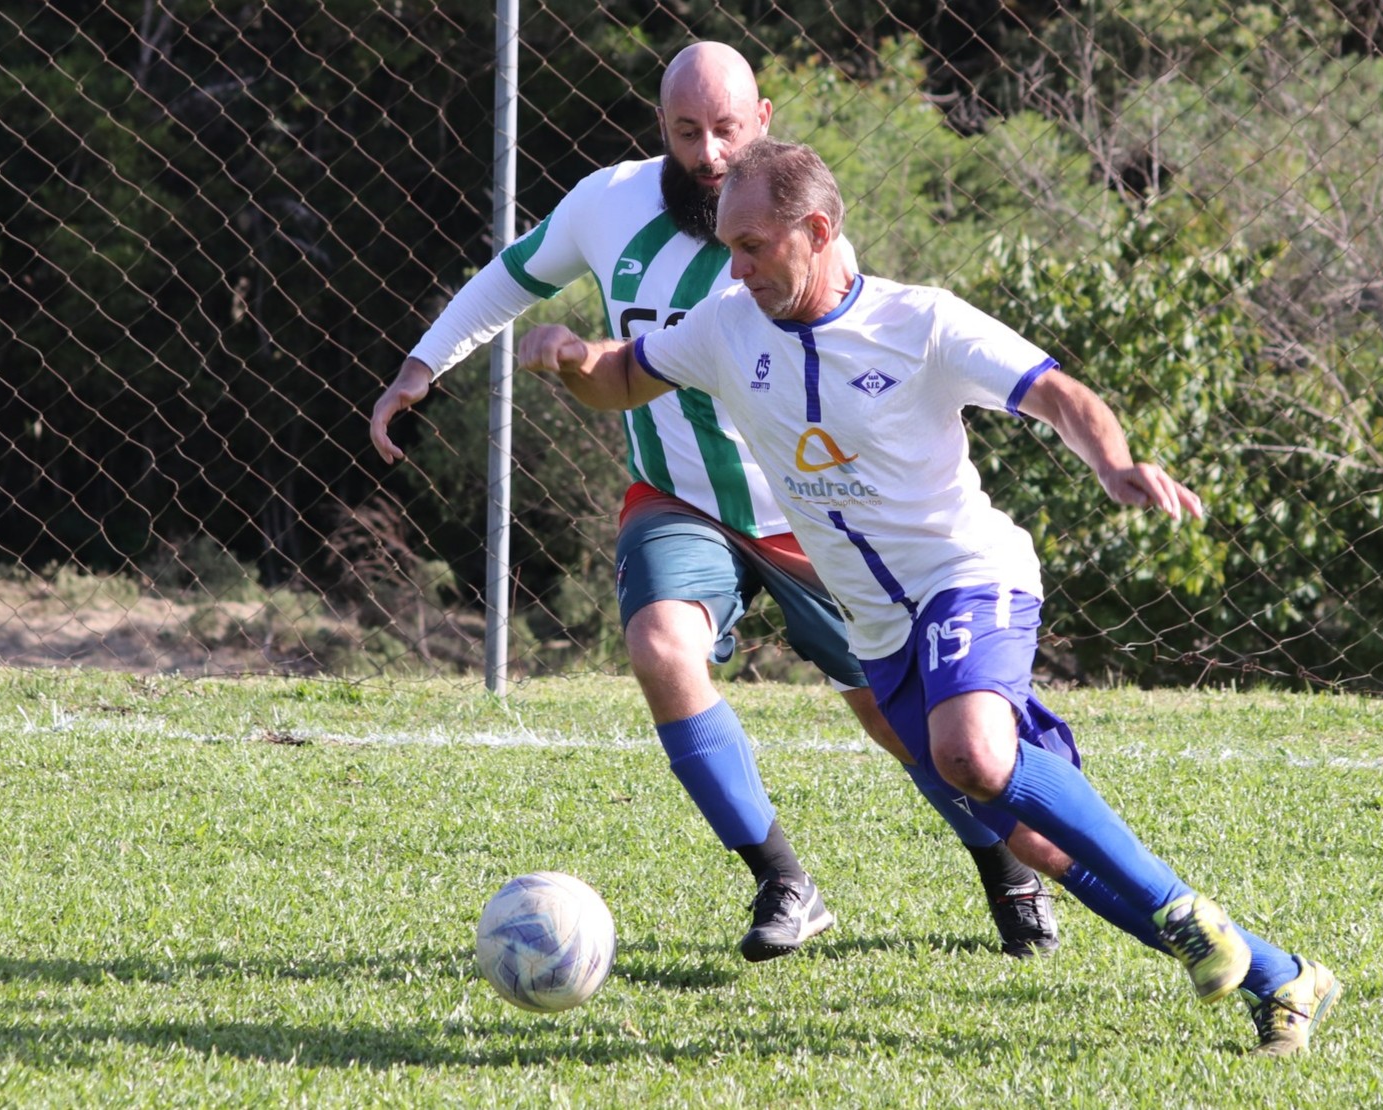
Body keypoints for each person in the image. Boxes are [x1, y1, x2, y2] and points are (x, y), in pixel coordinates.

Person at [513, 137, 1342, 1056]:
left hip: (968, 577)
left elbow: (1056, 392)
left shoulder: (923, 324)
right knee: (1034, 844)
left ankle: (1185, 914)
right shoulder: (723, 327)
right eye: (728, 245)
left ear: (816, 230)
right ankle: (1279, 973)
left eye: (751, 246)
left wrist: (1114, 463)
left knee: (974, 755)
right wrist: (567, 355)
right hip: (878, 627)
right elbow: (620, 378)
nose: (734, 266)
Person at [370, 43, 1062, 963]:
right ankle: (783, 879)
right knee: (660, 644)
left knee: (899, 722)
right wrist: (421, 367)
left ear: (763, 120)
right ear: (661, 127)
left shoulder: (801, 231)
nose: (709, 153)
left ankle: (1003, 870)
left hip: (811, 512)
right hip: (677, 498)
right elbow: (513, 277)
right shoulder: (606, 205)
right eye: (687, 131)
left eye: (727, 129)